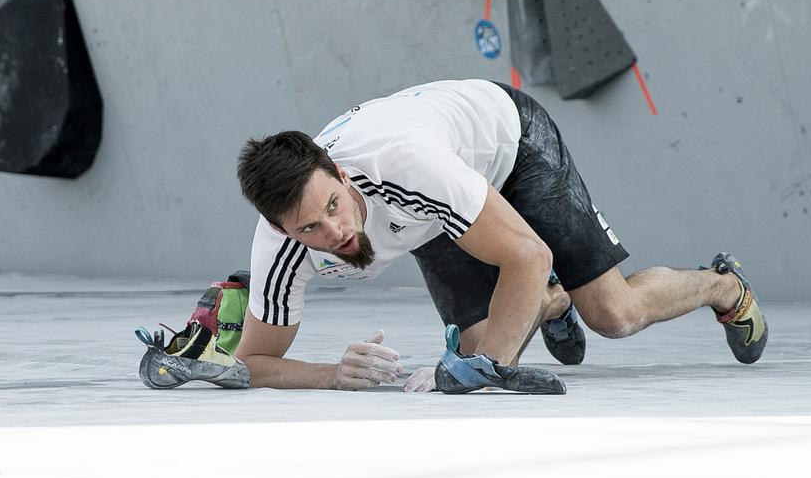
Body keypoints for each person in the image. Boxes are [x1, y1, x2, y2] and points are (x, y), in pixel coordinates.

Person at [233, 78, 767, 392]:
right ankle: (553, 303)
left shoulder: (401, 166)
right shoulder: (278, 248)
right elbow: (253, 363)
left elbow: (529, 254)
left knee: (613, 314)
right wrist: (334, 375)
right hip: (433, 210)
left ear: (344, 176)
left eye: (334, 205)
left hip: (505, 146)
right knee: (474, 342)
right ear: (280, 231)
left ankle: (723, 287)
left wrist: (488, 370)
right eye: (311, 229)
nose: (338, 232)